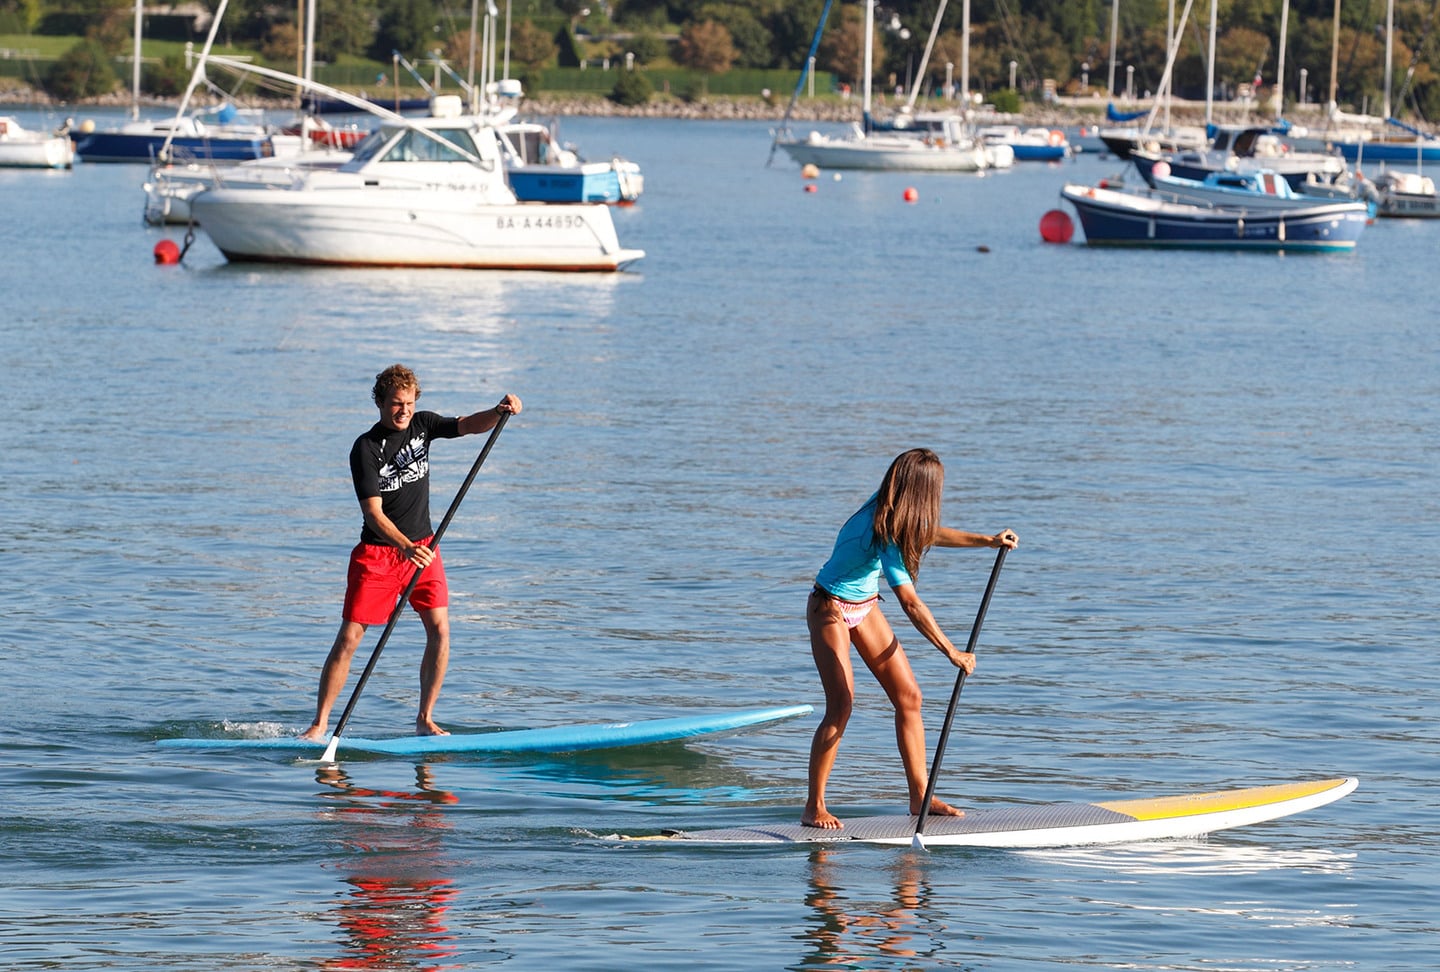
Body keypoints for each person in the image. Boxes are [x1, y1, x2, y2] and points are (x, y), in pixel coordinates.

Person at [300, 364, 522, 741]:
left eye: (408, 402)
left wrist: (498, 411)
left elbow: (467, 425)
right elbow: (373, 512)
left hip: (424, 549)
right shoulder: (366, 448)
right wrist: (405, 547)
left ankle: (425, 719)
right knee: (351, 637)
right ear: (380, 404)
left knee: (440, 630)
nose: (403, 410)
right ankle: (319, 724)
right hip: (379, 555)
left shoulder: (424, 425)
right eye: (395, 404)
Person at [803, 448, 1018, 830]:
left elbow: (925, 531)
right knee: (841, 704)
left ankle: (920, 796)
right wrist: (952, 652)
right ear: (921, 491)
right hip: (829, 607)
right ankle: (814, 806)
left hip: (864, 606)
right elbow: (910, 603)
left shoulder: (891, 509)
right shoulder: (880, 528)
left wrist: (987, 540)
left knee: (909, 697)